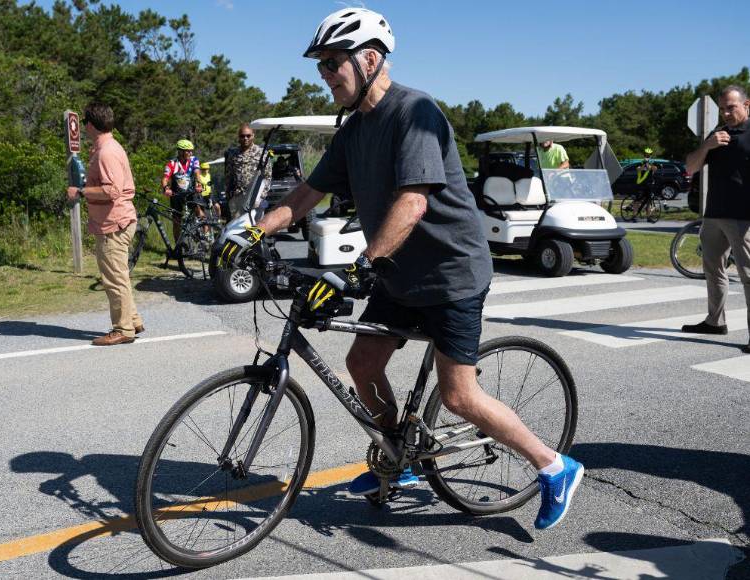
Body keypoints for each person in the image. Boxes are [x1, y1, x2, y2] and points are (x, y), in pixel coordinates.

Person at [220, 8, 583, 530]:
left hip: (450, 272)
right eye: (320, 65)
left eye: (331, 63)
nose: (324, 74)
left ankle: (554, 466)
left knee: (458, 395)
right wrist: (256, 229)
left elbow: (413, 200)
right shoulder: (353, 129)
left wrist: (360, 267)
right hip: (398, 271)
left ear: (369, 59)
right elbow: (306, 194)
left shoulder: (417, 113)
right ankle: (399, 456)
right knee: (363, 364)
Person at [66, 102, 144, 346]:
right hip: (117, 221)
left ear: (89, 124)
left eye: (85, 124)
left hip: (114, 224)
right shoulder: (107, 148)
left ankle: (123, 329)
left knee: (113, 279)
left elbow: (111, 191)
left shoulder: (107, 151)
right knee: (119, 275)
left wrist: (79, 191)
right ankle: (133, 320)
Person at [682, 85, 750, 352]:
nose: (725, 112)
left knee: (748, 276)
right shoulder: (718, 134)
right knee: (713, 269)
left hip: (743, 217)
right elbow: (690, 166)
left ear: (747, 105)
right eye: (722, 108)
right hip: (714, 215)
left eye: (731, 107)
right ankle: (715, 321)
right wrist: (707, 145)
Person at [224, 123, 271, 220]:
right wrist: (229, 196)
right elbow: (228, 176)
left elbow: (267, 177)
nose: (245, 138)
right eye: (242, 136)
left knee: (256, 227)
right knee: (237, 227)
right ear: (239, 137)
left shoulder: (261, 153)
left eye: (248, 136)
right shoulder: (232, 154)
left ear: (253, 136)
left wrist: (261, 196)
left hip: (255, 198)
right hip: (237, 198)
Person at [161, 139, 203, 240]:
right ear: (180, 152)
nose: (190, 153)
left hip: (190, 192)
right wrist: (166, 188)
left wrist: (199, 184)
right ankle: (177, 247)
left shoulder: (194, 160)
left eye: (191, 151)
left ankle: (203, 231)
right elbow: (165, 179)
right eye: (188, 151)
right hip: (176, 195)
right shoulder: (171, 164)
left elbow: (197, 173)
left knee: (199, 211)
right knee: (176, 221)